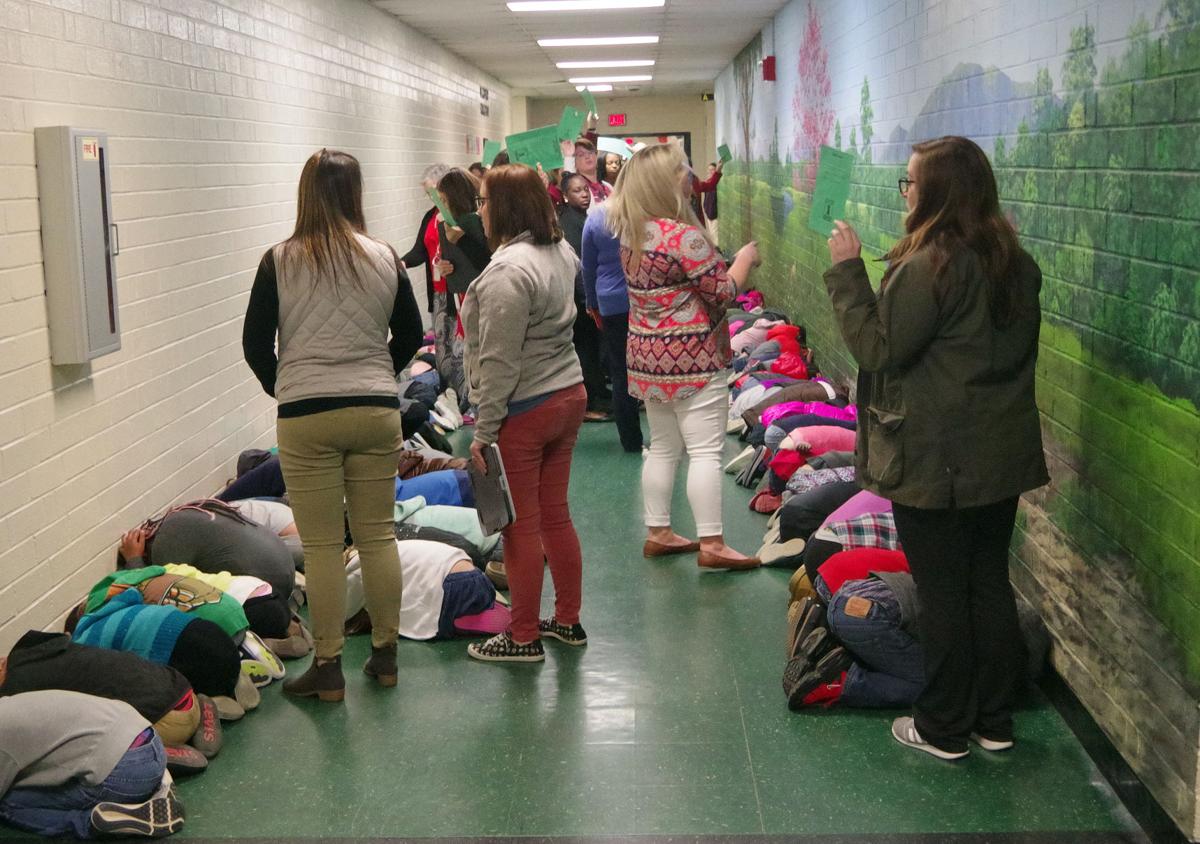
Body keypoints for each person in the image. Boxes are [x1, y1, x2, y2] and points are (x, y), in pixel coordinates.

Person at [823, 135, 1049, 760]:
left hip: (936, 457)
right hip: (998, 455)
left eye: (912, 182)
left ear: (940, 192)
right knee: (987, 584)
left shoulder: (930, 266)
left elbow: (879, 349)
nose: (906, 193)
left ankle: (944, 726)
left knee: (943, 591)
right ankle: (993, 722)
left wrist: (848, 271)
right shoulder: (1013, 260)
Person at [242, 148, 424, 701]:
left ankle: (326, 670)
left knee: (321, 547)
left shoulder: (279, 259)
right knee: (377, 535)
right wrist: (376, 377)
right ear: (356, 193)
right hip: (374, 411)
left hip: (306, 416)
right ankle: (386, 656)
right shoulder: (385, 256)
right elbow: (411, 335)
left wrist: (289, 387)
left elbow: (255, 344)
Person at [606, 143, 762, 570]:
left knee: (662, 448)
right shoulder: (684, 237)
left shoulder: (630, 234)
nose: (689, 174)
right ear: (663, 181)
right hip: (694, 357)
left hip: (646, 357)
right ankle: (713, 544)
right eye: (681, 170)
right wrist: (745, 260)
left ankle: (658, 532)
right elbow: (723, 292)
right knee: (706, 452)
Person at [461, 164, 587, 663]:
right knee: (555, 515)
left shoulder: (507, 274)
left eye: (485, 201)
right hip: (567, 395)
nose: (480, 211)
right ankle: (568, 621)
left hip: (526, 409)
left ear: (505, 208)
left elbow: (498, 361)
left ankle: (523, 636)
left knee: (520, 526)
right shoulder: (559, 252)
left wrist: (484, 431)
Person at [0, 690, 184, 839]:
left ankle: (92, 822)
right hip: (148, 738)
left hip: (126, 771)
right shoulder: (9, 703)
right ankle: (157, 784)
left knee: (8, 803)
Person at [581, 195, 643, 453]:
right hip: (642, 299)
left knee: (620, 372)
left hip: (610, 303)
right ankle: (667, 439)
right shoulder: (643, 212)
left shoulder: (595, 218)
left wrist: (591, 302)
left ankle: (630, 440)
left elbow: (588, 267)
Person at [559, 172, 610, 422]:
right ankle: (590, 401)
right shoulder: (569, 222)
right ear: (566, 196)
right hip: (579, 297)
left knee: (592, 347)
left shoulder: (581, 218)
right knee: (586, 350)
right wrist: (587, 298)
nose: (583, 194)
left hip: (587, 293)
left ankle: (599, 393)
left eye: (585, 189)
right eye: (576, 191)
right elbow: (579, 264)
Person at [400, 163, 451, 320]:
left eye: (433, 192)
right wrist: (401, 263)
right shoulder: (430, 216)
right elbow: (419, 251)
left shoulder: (458, 215)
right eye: (428, 194)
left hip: (455, 289)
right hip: (437, 290)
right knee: (442, 341)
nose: (432, 197)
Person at [571, 139, 612, 204]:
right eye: (581, 155)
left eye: (590, 152)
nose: (587, 156)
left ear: (596, 156)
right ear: (574, 163)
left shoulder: (608, 186)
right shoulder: (577, 188)